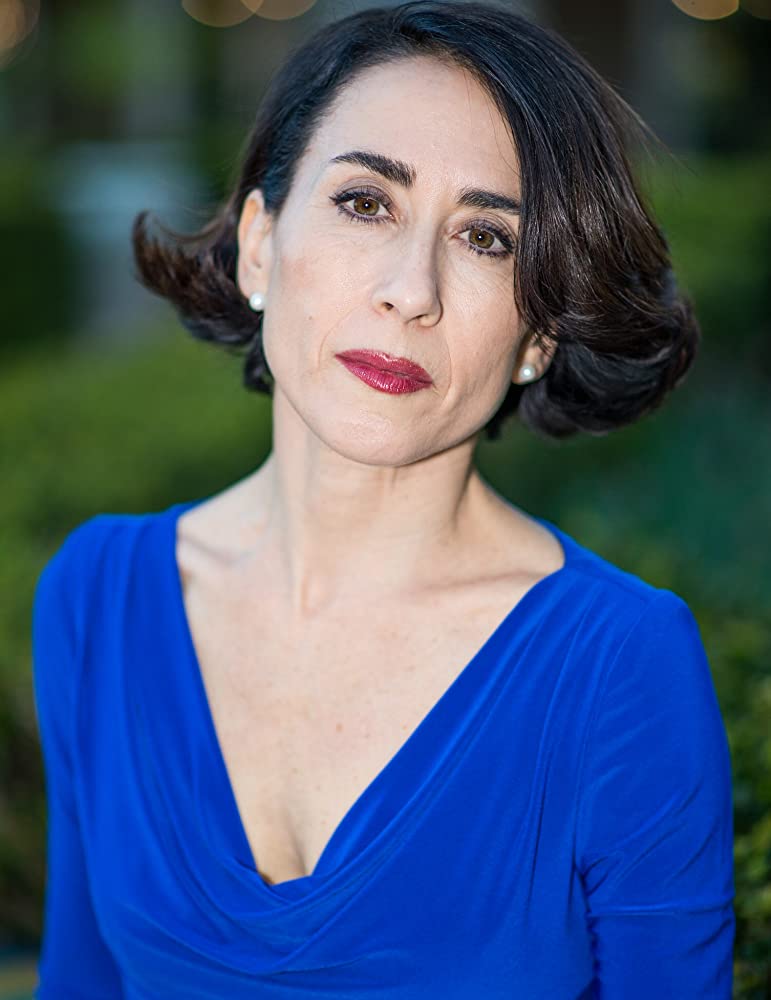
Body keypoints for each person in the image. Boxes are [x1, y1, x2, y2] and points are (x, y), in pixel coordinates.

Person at [31, 1, 735, 996]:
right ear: (260, 243)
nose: (413, 290)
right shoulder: (96, 596)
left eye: (486, 238)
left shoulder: (620, 662)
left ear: (539, 337)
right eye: (366, 202)